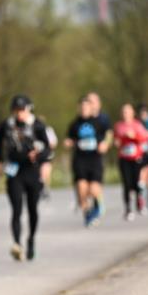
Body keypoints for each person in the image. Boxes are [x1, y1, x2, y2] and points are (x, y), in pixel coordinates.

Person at [0, 95, 51, 261]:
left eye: (23, 110)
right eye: (16, 110)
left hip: (32, 171)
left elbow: (48, 149)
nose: (20, 113)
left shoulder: (37, 125)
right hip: (14, 171)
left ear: (29, 109)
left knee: (33, 209)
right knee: (16, 209)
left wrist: (38, 155)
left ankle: (31, 239)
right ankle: (17, 244)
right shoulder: (7, 125)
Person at [64, 97, 110, 227]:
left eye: (86, 107)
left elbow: (108, 136)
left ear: (91, 108)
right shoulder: (75, 124)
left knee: (94, 189)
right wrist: (68, 142)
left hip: (95, 159)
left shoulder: (99, 122)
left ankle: (98, 204)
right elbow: (69, 138)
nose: (84, 109)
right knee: (81, 190)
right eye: (82, 107)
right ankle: (88, 214)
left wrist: (105, 144)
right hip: (80, 160)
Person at [113, 103, 148, 221]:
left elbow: (145, 138)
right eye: (123, 112)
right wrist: (117, 142)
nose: (125, 114)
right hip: (124, 158)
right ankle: (128, 209)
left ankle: (140, 200)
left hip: (136, 158)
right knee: (126, 184)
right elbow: (116, 140)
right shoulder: (118, 126)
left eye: (127, 111)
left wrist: (134, 136)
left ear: (132, 113)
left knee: (136, 183)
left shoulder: (137, 125)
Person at [39, 117, 58, 201]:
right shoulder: (33, 129)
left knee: (46, 169)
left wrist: (48, 145)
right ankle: (41, 186)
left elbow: (54, 142)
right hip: (38, 154)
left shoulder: (48, 130)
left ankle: (46, 187)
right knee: (39, 171)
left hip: (47, 153)